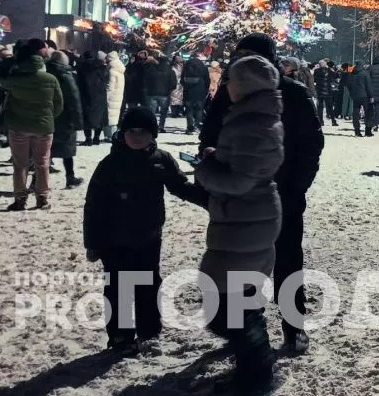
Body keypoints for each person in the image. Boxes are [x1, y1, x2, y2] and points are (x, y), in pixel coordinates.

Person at [199, 33, 323, 355]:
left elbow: (311, 144)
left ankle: (293, 326)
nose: (244, 61)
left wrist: (296, 186)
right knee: (239, 265)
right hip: (238, 199)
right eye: (240, 54)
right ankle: (245, 331)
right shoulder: (229, 92)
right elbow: (209, 134)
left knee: (288, 262)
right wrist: (212, 163)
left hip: (283, 195)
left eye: (251, 55)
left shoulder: (293, 93)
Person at [83, 106, 206, 356]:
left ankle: (149, 330)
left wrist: (210, 200)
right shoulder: (110, 164)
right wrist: (92, 243)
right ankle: (120, 335)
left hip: (149, 236)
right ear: (123, 133)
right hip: (114, 239)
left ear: (153, 134)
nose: (137, 136)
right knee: (118, 288)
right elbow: (93, 206)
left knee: (148, 283)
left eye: (143, 132)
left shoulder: (161, 160)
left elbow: (181, 186)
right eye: (132, 131)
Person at [196, 55, 284, 392]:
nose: (227, 86)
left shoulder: (252, 124)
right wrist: (217, 156)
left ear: (244, 86)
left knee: (228, 307)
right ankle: (254, 369)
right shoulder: (253, 118)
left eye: (231, 80)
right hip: (246, 218)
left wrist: (206, 169)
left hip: (247, 220)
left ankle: (256, 375)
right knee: (236, 300)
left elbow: (241, 181)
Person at [0, 42, 64, 211]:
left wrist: (8, 60)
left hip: (18, 126)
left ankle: (20, 199)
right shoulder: (51, 79)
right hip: (44, 127)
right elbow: (59, 104)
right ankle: (42, 198)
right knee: (42, 163)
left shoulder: (15, 80)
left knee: (20, 164)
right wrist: (48, 117)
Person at [47, 51, 85, 189]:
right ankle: (70, 177)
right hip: (65, 117)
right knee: (67, 149)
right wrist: (78, 121)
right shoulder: (66, 75)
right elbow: (74, 99)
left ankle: (37, 181)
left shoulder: (45, 72)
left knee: (46, 150)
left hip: (47, 116)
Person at [143, 52, 177, 132]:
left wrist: (148, 89)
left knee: (152, 112)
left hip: (152, 93)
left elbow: (146, 81)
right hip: (165, 94)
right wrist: (169, 90)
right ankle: (161, 126)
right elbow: (173, 84)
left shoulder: (151, 70)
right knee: (163, 112)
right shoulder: (170, 71)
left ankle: (151, 126)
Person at [181, 53, 210, 135]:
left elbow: (182, 80)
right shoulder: (204, 68)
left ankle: (190, 128)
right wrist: (205, 90)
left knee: (189, 110)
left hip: (188, 92)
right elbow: (207, 80)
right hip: (200, 92)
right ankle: (197, 126)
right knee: (199, 110)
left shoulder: (186, 68)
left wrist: (186, 86)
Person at [346, 61, 371, 136]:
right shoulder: (365, 73)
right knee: (368, 113)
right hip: (365, 96)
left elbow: (348, 85)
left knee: (356, 113)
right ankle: (367, 131)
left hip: (355, 96)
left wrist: (352, 94)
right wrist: (371, 95)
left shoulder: (351, 73)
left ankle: (357, 130)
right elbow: (368, 85)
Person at [106, 53, 126, 141]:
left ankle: (110, 136)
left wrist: (106, 95)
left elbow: (110, 86)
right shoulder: (120, 70)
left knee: (109, 116)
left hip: (111, 96)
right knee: (114, 116)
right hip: (118, 95)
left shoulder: (112, 71)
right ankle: (113, 135)